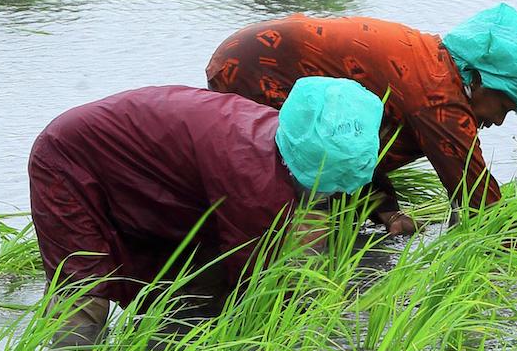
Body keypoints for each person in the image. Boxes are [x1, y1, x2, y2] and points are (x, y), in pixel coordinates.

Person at [26, 76, 384, 333]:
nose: (327, 196)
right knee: (83, 285)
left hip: (149, 170)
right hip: (70, 157)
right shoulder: (254, 178)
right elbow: (261, 284)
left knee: (196, 274)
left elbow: (299, 240)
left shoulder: (293, 138)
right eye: (324, 186)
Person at [204, 5, 517, 235]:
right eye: (504, 106)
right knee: (287, 176)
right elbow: (475, 191)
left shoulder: (431, 60)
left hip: (251, 48)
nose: (497, 121)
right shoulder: (439, 95)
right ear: (479, 79)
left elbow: (354, 137)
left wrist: (388, 211)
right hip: (256, 68)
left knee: (319, 161)